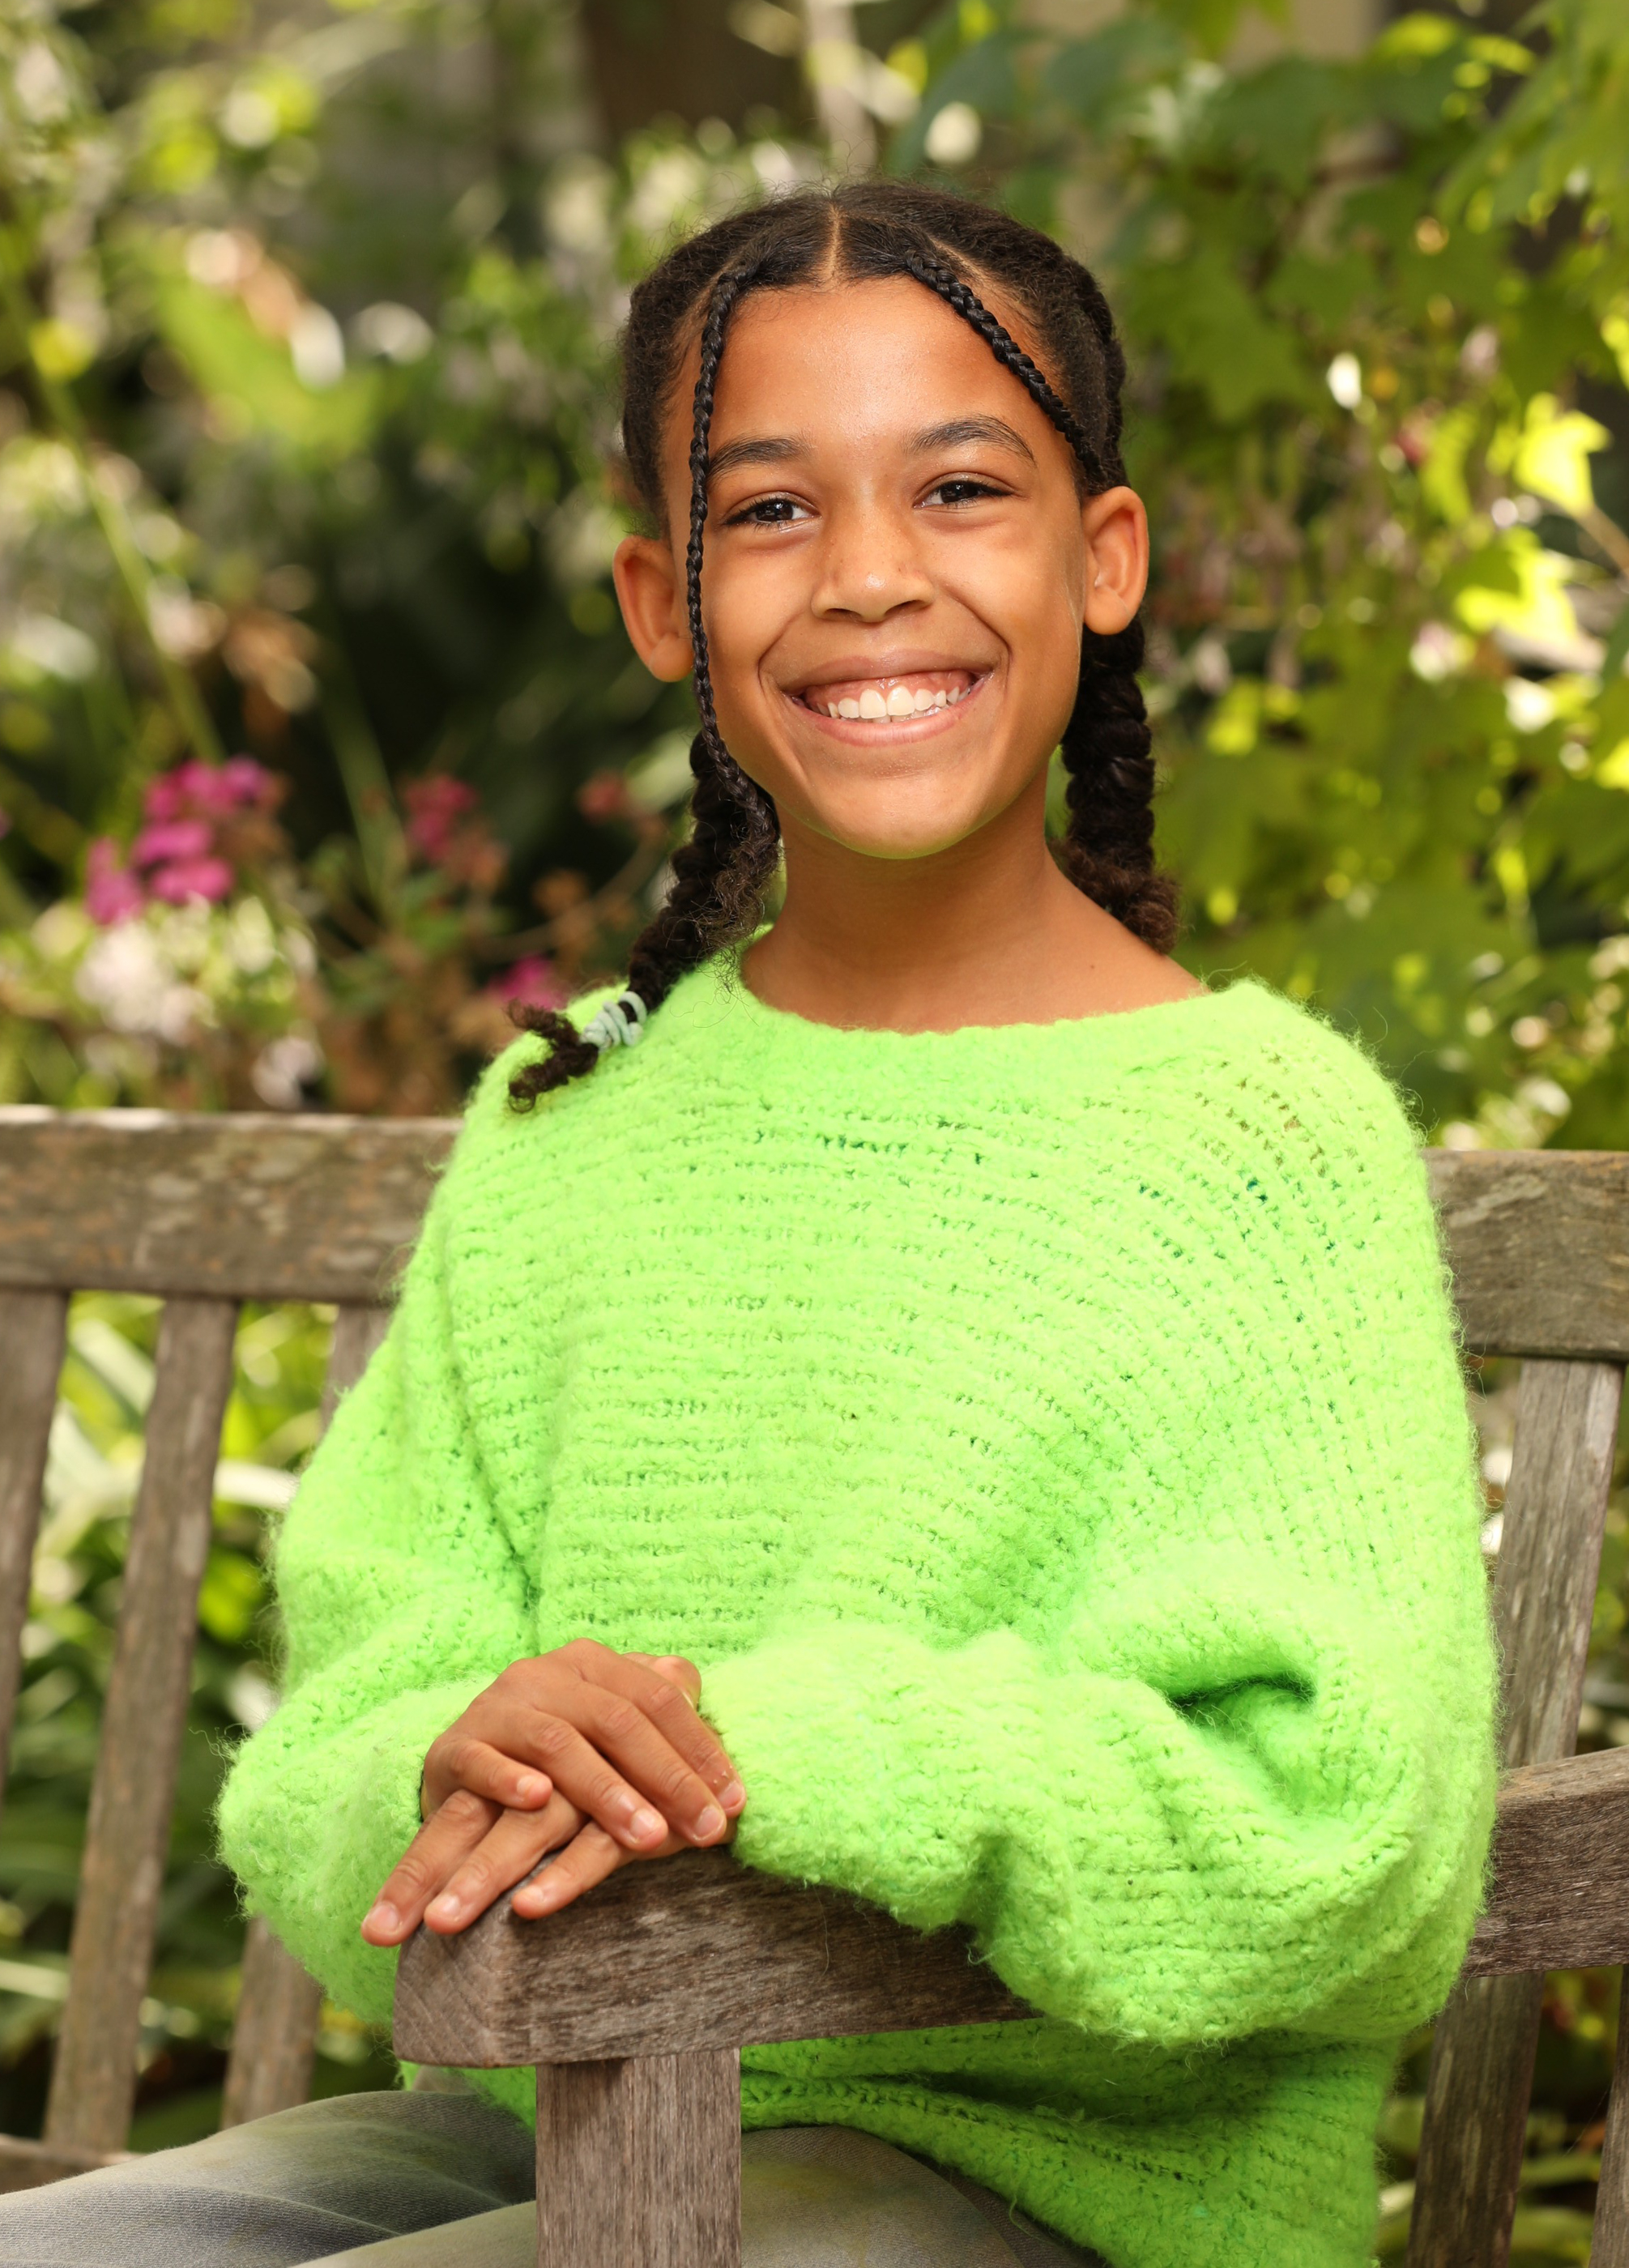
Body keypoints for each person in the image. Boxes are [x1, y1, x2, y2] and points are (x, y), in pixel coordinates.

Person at [0, 180, 1495, 2268]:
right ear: (663, 600)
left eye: (960, 488)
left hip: (1050, 2189)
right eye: (775, 511)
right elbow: (346, 1721)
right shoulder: (570, 1129)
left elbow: (1345, 1837)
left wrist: (751, 1742)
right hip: (556, 2127)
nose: (871, 577)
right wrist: (451, 1753)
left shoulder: (1257, 1141)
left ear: (1106, 557)